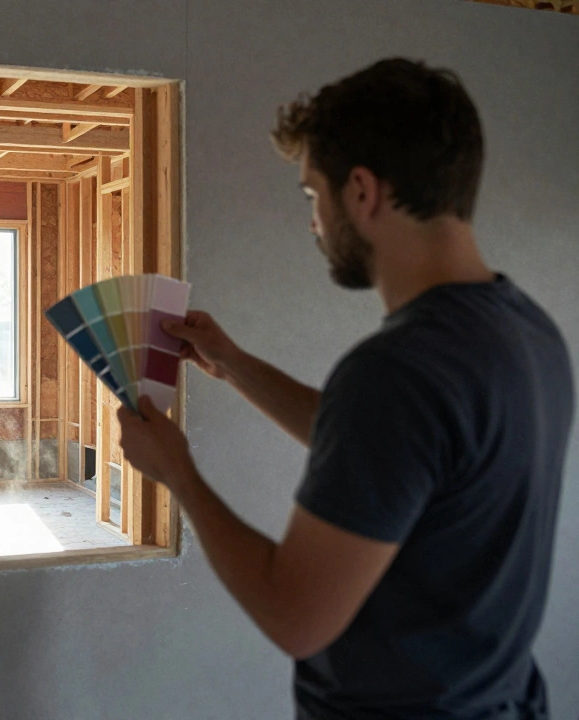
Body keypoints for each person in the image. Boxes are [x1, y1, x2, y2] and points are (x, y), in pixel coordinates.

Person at [117, 58, 573, 720]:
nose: (314, 224)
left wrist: (177, 472)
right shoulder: (529, 333)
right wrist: (234, 364)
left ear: (362, 191)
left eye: (312, 196)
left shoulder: (396, 372)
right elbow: (393, 454)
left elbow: (295, 617)